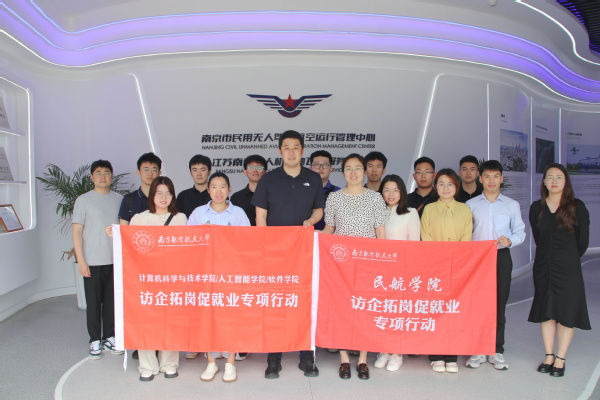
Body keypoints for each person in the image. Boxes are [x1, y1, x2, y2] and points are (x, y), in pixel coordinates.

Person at [252, 130, 324, 379]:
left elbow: (319, 211)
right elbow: (260, 216)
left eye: (296, 147)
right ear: (280, 151)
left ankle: (307, 356)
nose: (291, 152)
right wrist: (265, 246)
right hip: (275, 253)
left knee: (304, 301)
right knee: (276, 302)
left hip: (304, 251)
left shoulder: (313, 178)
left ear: (302, 151)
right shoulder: (268, 179)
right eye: (286, 147)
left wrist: (310, 221)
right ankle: (274, 357)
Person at [109, 176, 187, 381]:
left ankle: (169, 363)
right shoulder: (139, 219)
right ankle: (147, 365)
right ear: (152, 195)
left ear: (173, 196)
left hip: (172, 280)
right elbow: (129, 245)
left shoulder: (180, 218)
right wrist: (116, 234)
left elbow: (187, 249)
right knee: (146, 321)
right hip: (146, 279)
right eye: (159, 193)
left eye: (168, 193)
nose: (163, 197)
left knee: (170, 321)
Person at [322, 153, 386, 380]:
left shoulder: (375, 198)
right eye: (348, 168)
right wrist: (311, 236)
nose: (353, 172)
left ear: (364, 171)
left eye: (358, 168)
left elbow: (380, 234)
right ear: (343, 172)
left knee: (364, 310)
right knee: (342, 311)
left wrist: (380, 263)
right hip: (340, 265)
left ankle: (362, 360)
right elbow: (329, 229)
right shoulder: (334, 198)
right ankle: (344, 360)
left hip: (367, 264)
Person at [528, 163, 590, 378]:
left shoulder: (577, 206)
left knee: (566, 311)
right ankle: (549, 355)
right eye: (550, 177)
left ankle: (561, 357)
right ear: (544, 182)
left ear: (566, 182)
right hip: (544, 267)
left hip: (568, 268)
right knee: (546, 311)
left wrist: (566, 257)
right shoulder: (536, 207)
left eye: (559, 177)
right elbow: (538, 237)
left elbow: (582, 242)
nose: (554, 181)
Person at [187, 172, 250, 383]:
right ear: (208, 190)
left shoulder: (238, 213)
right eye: (214, 187)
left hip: (231, 273)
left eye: (223, 186)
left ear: (229, 189)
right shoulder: (198, 213)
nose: (218, 191)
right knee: (208, 317)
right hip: (205, 273)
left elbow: (248, 242)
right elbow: (189, 242)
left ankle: (230, 362)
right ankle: (212, 362)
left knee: (230, 316)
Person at [465, 160, 525, 370]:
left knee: (499, 304)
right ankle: (478, 349)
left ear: (501, 179)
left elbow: (520, 232)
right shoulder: (470, 204)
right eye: (487, 176)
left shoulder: (511, 205)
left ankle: (496, 349)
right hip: (477, 259)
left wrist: (511, 240)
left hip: (501, 257)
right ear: (480, 179)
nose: (492, 180)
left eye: (496, 176)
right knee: (477, 304)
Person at [420, 168, 473, 373]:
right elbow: (426, 236)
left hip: (458, 268)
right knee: (436, 311)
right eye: (441, 184)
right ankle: (435, 355)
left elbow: (466, 238)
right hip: (435, 267)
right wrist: (439, 260)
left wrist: (457, 261)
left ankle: (451, 355)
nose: (445, 188)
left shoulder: (465, 209)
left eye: (450, 184)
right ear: (436, 186)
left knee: (453, 311)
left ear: (456, 187)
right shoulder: (429, 209)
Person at [72, 160, 124, 360]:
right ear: (92, 177)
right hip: (92, 260)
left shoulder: (119, 199)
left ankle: (109, 336)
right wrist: (81, 260)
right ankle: (94, 339)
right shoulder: (83, 200)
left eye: (107, 172)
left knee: (112, 302)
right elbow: (77, 231)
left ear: (112, 176)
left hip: (115, 260)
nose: (103, 176)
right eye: (99, 173)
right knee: (93, 303)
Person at [373, 174, 420, 372]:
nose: (390, 194)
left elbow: (415, 245)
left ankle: (398, 353)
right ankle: (384, 350)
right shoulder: (377, 212)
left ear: (402, 192)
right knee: (382, 311)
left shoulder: (410, 213)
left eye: (395, 190)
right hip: (380, 270)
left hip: (401, 270)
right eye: (386, 190)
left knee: (398, 312)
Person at [118, 152, 162, 225]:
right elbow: (123, 228)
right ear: (138, 172)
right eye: (146, 169)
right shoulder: (129, 200)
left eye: (154, 170)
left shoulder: (165, 198)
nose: (150, 174)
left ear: (159, 173)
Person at [230, 154, 267, 226]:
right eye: (251, 167)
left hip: (267, 232)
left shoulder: (271, 196)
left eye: (259, 167)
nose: (255, 170)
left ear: (265, 172)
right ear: (245, 171)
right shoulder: (236, 197)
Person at [310, 150, 341, 230]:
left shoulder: (339, 193)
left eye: (325, 165)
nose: (321, 168)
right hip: (306, 235)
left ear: (331, 169)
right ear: (310, 169)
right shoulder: (302, 191)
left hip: (330, 236)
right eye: (317, 164)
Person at [177, 154, 212, 218]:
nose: (199, 174)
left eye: (203, 170)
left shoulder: (217, 195)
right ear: (191, 173)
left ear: (209, 172)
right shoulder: (182, 196)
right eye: (195, 170)